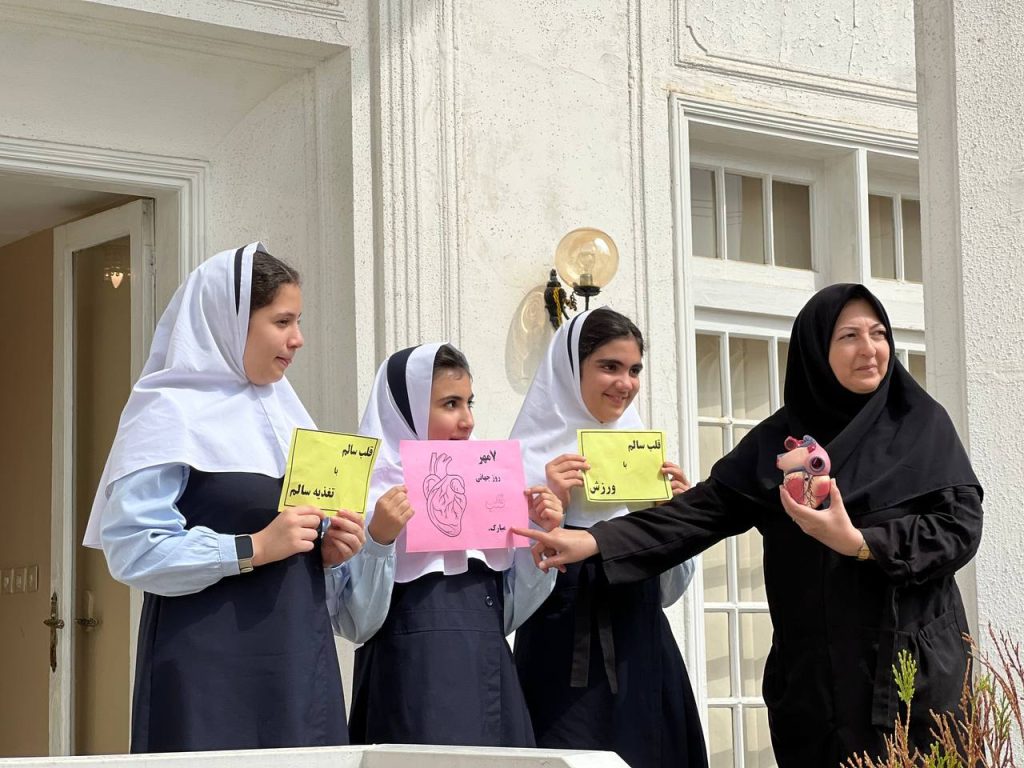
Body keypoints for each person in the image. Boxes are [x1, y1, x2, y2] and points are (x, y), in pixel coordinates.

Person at [515, 284, 984, 767]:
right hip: (814, 692)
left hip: (910, 682)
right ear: (816, 349)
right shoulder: (778, 444)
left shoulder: (923, 425)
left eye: (879, 333)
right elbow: (698, 513)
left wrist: (860, 542)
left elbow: (961, 528)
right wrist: (592, 540)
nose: (869, 349)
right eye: (848, 336)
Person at [83, 242, 392, 752]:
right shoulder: (167, 411)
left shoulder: (291, 417)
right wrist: (253, 547)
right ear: (229, 323)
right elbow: (133, 549)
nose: (298, 339)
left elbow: (314, 563)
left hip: (299, 666)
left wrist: (331, 552)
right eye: (282, 321)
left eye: (298, 322)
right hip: (207, 671)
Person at [510, 307, 707, 768]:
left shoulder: (642, 457)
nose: (625, 383)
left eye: (634, 370)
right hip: (560, 661)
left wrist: (670, 520)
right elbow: (510, 597)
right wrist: (551, 513)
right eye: (609, 366)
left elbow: (669, 592)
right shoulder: (524, 463)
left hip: (643, 654)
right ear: (570, 369)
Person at [347, 342, 564, 747]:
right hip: (408, 692)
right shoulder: (367, 496)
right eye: (450, 404)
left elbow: (509, 615)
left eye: (469, 402)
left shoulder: (491, 490)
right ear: (407, 411)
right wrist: (379, 539)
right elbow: (356, 622)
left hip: (489, 684)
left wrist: (540, 540)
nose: (467, 421)